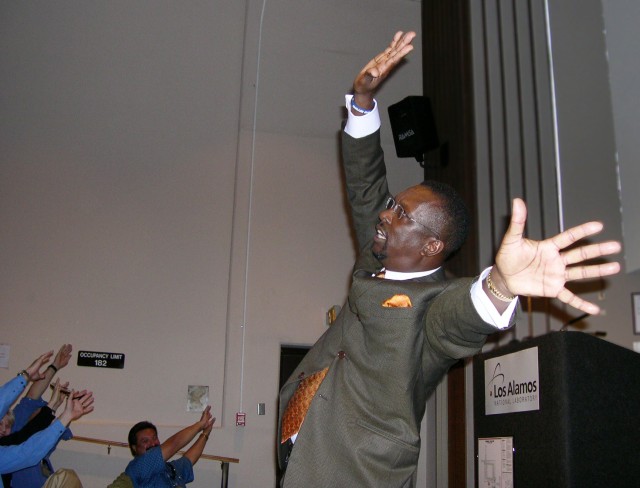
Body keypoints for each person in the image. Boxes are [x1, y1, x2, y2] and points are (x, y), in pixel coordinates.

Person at [276, 31, 622, 487]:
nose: (384, 213)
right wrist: (361, 100)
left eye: (399, 213)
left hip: (354, 470)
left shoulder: (434, 302)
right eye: (393, 204)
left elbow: (462, 319)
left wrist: (501, 283)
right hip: (302, 448)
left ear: (431, 247)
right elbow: (365, 187)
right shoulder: (378, 252)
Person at [0, 351, 95, 475]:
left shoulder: (18, 431)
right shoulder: (17, 437)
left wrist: (60, 410)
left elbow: (35, 434)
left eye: (6, 426)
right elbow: (30, 404)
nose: (3, 429)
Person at [7, 344, 75, 488]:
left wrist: (56, 366)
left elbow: (57, 426)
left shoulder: (43, 438)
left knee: (68, 476)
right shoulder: (15, 432)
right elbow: (31, 397)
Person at [124, 406, 214, 487]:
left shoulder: (169, 468)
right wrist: (200, 424)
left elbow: (189, 459)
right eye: (145, 441)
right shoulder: (138, 467)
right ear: (134, 448)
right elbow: (174, 444)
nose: (152, 443)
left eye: (154, 438)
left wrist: (205, 433)